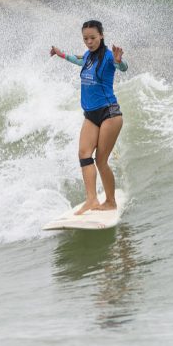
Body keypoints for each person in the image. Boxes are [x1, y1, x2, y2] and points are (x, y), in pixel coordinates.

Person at [50, 20, 128, 215]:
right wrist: (59, 53)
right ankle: (92, 200)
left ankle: (110, 201)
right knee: (84, 155)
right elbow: (76, 59)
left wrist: (119, 61)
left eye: (93, 38)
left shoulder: (109, 56)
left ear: (101, 35)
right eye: (85, 38)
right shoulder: (87, 57)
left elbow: (123, 67)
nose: (89, 42)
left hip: (109, 113)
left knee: (101, 160)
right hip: (91, 115)